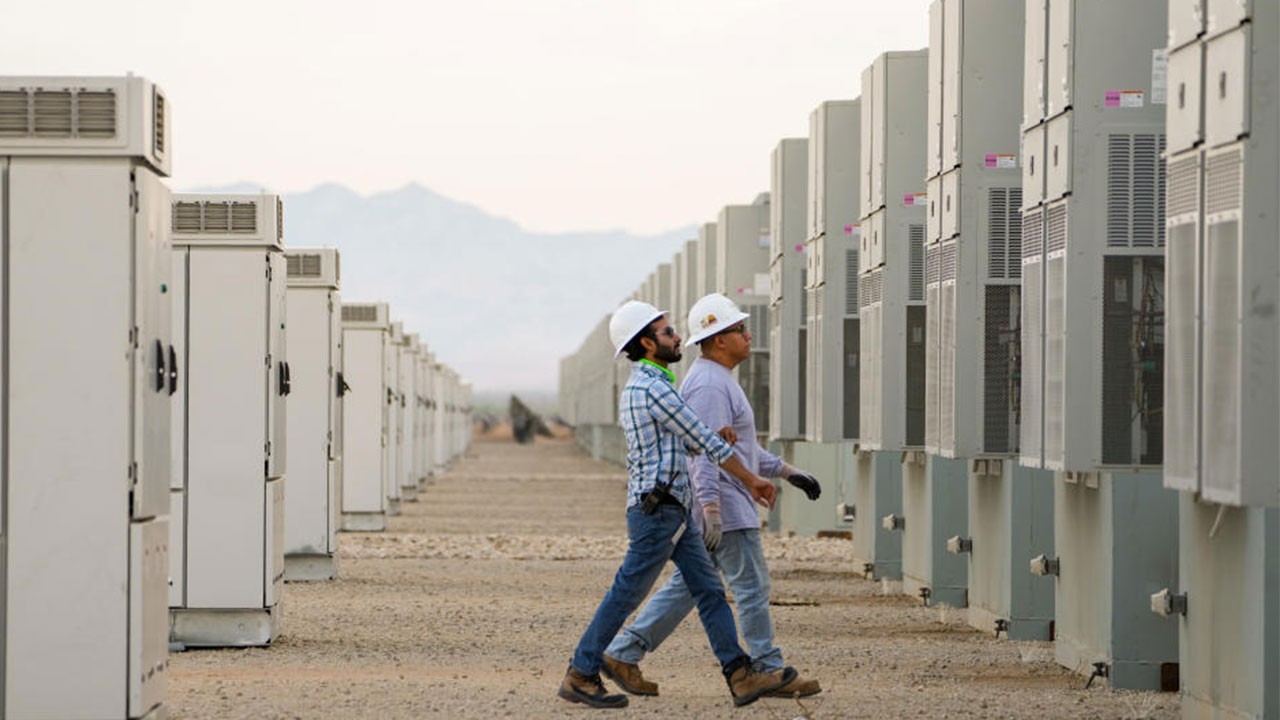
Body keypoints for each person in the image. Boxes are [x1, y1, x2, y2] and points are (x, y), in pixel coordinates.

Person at [558, 300, 793, 710]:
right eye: (667, 333)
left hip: (672, 509)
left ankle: (741, 676)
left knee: (709, 591)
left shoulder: (647, 386)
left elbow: (676, 444)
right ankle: (581, 672)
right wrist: (753, 478)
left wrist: (707, 438)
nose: (679, 337)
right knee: (625, 594)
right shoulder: (654, 388)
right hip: (659, 512)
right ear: (647, 343)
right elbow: (706, 443)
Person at [601, 293, 824, 699]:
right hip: (726, 506)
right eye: (739, 329)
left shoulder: (719, 381)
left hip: (727, 501)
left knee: (689, 587)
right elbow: (705, 452)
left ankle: (622, 651)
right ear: (719, 339)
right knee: (751, 586)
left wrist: (790, 473)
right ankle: (767, 667)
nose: (748, 334)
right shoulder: (707, 385)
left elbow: (742, 451)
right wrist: (712, 511)